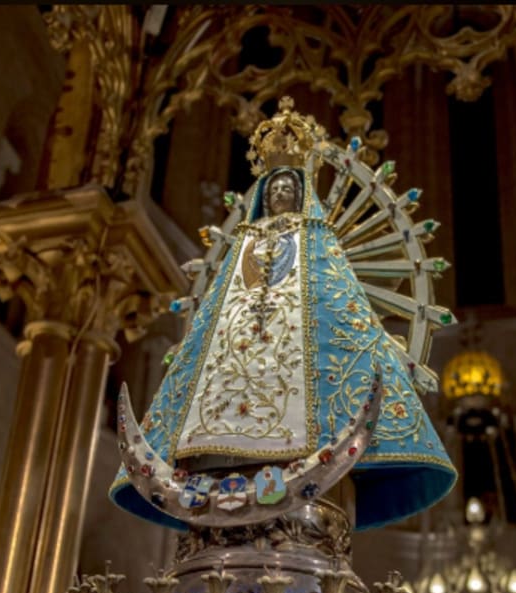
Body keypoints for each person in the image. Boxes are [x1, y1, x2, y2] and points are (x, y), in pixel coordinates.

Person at [111, 101, 455, 531]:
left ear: (302, 194)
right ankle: (220, 452)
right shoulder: (245, 244)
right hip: (239, 348)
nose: (280, 195)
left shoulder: (319, 248)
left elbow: (336, 315)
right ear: (261, 197)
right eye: (273, 189)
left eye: (288, 189)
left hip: (301, 364)